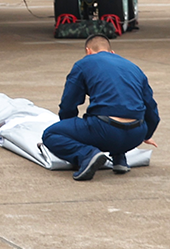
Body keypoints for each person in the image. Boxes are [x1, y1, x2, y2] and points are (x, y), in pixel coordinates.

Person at [42, 34, 159, 181]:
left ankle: (87, 155)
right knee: (116, 113)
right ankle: (119, 159)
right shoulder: (133, 67)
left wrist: (69, 129)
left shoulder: (84, 64)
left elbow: (68, 104)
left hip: (106, 131)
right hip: (136, 134)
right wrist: (147, 134)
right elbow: (152, 108)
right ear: (112, 52)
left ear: (88, 51)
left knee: (50, 134)